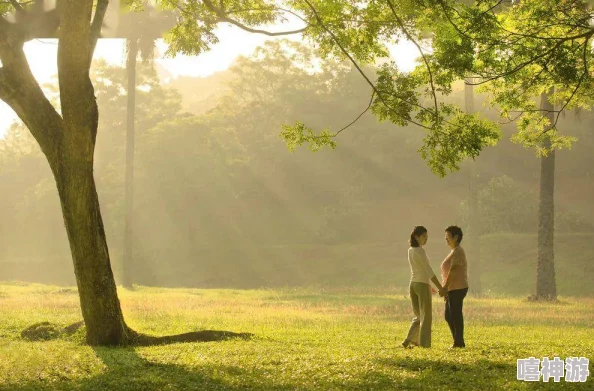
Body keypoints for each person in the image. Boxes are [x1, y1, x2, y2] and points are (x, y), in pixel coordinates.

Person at [402, 226, 447, 348]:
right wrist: (440, 287)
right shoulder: (419, 251)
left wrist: (430, 285)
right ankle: (424, 344)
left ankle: (409, 340)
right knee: (426, 316)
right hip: (421, 284)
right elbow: (428, 271)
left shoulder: (411, 250)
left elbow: (420, 269)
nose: (426, 239)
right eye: (423, 237)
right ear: (416, 237)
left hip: (414, 284)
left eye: (427, 237)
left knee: (419, 315)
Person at [441, 225, 469, 348]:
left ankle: (459, 342)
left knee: (455, 314)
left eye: (448, 237)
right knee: (448, 315)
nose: (446, 240)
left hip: (457, 287)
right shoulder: (453, 251)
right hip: (452, 288)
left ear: (456, 237)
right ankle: (457, 340)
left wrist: (445, 287)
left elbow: (454, 269)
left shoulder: (458, 251)